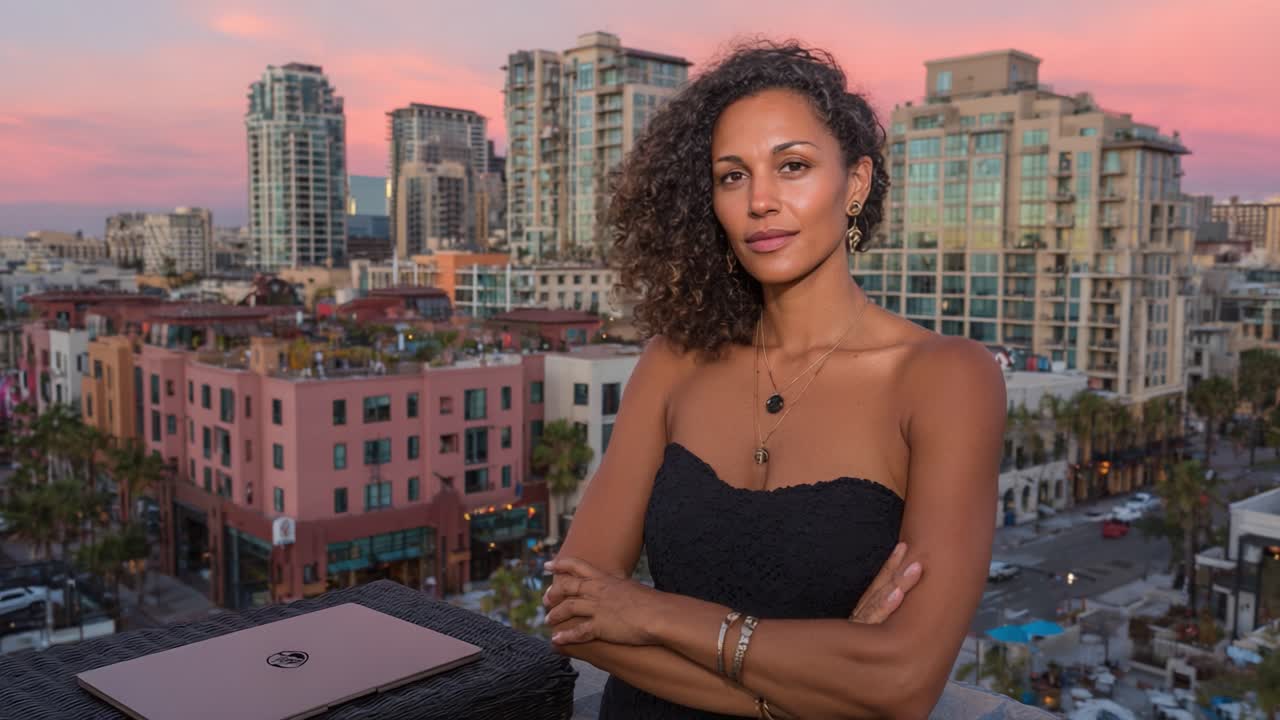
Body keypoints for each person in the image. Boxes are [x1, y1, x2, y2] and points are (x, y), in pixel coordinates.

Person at [542, 41, 1005, 719]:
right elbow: (576, 614)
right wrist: (807, 694)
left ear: (855, 183)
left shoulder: (945, 379)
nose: (761, 200)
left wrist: (649, 613)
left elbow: (903, 683)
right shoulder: (674, 361)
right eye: (733, 176)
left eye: (792, 167)